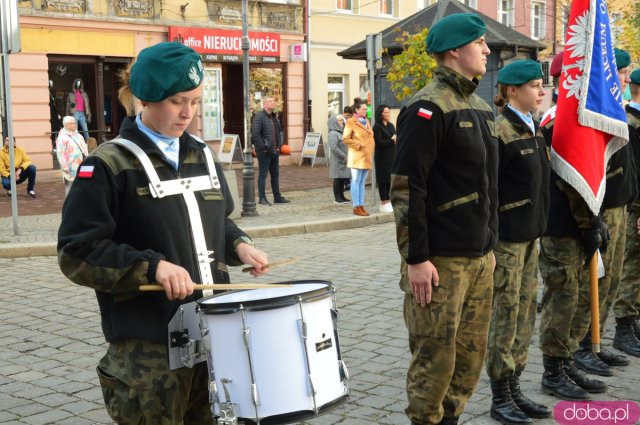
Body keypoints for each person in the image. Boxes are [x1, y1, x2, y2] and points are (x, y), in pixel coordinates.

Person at [57, 42, 270, 424]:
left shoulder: (202, 155)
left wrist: (239, 245)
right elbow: (76, 253)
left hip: (212, 339)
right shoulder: (107, 165)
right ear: (147, 99)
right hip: (148, 355)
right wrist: (151, 267)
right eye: (176, 101)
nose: (188, 112)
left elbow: (217, 221)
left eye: (194, 100)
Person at [390, 13, 498, 425]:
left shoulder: (481, 106)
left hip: (478, 258)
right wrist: (416, 258)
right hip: (440, 262)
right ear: (455, 50)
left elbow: (489, 186)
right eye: (480, 42)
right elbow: (406, 189)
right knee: (435, 360)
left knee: (469, 359)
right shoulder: (427, 107)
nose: (487, 50)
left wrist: (489, 247)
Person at [537, 51, 608, 401]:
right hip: (561, 227)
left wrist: (594, 222)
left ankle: (566, 362)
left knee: (577, 298)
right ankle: (552, 372)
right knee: (561, 301)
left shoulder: (579, 118)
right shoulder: (557, 122)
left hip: (579, 227)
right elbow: (570, 184)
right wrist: (589, 223)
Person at [485, 60, 551, 424]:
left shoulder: (534, 129)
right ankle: (500, 396)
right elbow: (489, 192)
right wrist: (491, 244)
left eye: (541, 85)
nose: (541, 92)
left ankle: (515, 387)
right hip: (508, 241)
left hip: (531, 238)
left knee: (526, 314)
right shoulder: (500, 132)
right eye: (534, 85)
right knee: (505, 316)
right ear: (511, 90)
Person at [571, 48, 637, 374]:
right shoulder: (596, 114)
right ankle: (585, 344)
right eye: (622, 73)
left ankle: (598, 341)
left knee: (613, 280)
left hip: (622, 206)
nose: (625, 79)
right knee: (598, 279)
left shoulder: (617, 111)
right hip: (605, 207)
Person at [611, 67, 640, 356]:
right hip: (632, 207)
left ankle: (632, 322)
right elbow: (634, 172)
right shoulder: (629, 121)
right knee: (630, 268)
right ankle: (623, 326)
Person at [252, 96, 290, 206]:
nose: (273, 103)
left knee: (275, 174)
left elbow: (278, 133)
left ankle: (277, 197)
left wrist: (278, 147)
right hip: (264, 152)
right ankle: (262, 198)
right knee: (263, 174)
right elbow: (255, 134)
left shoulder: (274, 117)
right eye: (270, 101)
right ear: (264, 104)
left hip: (274, 151)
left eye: (274, 101)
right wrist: (263, 147)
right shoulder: (259, 117)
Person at [343, 100, 374, 216]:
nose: (365, 111)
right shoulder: (351, 122)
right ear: (356, 110)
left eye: (366, 109)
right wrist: (358, 145)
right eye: (363, 109)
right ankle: (356, 206)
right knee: (355, 181)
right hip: (357, 156)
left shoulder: (366, 121)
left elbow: (371, 136)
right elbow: (345, 139)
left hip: (366, 156)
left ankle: (361, 205)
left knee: (362, 182)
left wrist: (372, 147)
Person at [55, 115, 88, 197]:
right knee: (70, 187)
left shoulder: (79, 136)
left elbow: (85, 149)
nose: (75, 125)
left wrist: (88, 160)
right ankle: (69, 206)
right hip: (70, 167)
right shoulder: (62, 138)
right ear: (66, 125)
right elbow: (60, 153)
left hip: (83, 164)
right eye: (73, 123)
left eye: (75, 123)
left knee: (84, 185)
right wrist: (65, 167)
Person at [373, 104, 396, 213]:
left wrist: (395, 139)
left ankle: (389, 201)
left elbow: (395, 137)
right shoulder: (377, 127)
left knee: (389, 180)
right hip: (382, 157)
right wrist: (392, 140)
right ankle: (383, 202)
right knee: (383, 180)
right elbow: (379, 143)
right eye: (385, 112)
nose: (388, 114)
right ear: (380, 114)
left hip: (392, 156)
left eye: (388, 112)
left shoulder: (391, 125)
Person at [327, 115, 350, 204]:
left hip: (343, 160)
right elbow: (334, 147)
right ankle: (337, 198)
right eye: (340, 120)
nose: (342, 122)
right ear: (335, 122)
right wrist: (343, 155)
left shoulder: (341, 132)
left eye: (342, 120)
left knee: (342, 178)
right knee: (337, 178)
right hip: (337, 160)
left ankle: (342, 196)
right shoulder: (333, 133)